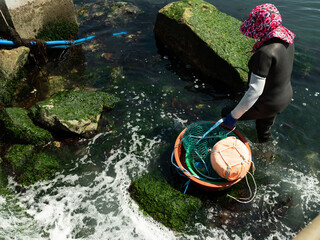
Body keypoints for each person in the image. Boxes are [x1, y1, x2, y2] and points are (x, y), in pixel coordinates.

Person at [222, 3, 295, 143]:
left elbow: (254, 91)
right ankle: (266, 153)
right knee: (263, 130)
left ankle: (226, 146)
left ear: (260, 26)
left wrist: (233, 116)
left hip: (267, 102)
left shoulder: (265, 53)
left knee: (226, 112)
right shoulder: (287, 38)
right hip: (283, 97)